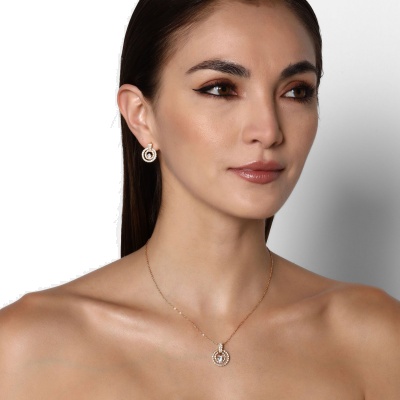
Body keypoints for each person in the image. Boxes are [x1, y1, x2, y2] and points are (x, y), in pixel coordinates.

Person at [1, 0, 399, 398]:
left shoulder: (377, 337)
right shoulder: (26, 347)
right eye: (221, 89)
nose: (268, 130)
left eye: (296, 91)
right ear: (141, 115)